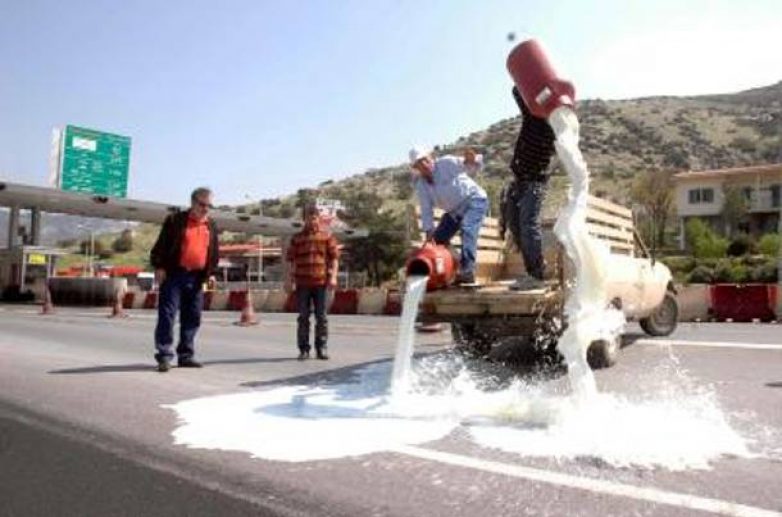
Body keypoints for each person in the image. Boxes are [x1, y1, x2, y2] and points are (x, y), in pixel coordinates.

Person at [150, 187, 219, 372]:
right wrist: (159, 266)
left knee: (193, 317)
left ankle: (186, 355)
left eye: (209, 205)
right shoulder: (175, 220)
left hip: (197, 277)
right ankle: (164, 356)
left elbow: (213, 252)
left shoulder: (211, 225)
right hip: (174, 275)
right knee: (167, 315)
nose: (206, 208)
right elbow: (161, 246)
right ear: (193, 202)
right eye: (202, 204)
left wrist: (211, 273)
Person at [504, 86, 557, 291]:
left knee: (528, 226)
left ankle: (536, 273)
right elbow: (518, 93)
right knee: (515, 225)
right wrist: (528, 79)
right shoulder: (532, 116)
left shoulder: (551, 128)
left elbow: (518, 93)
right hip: (518, 182)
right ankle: (532, 269)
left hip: (534, 184)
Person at [410, 146, 487, 285]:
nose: (424, 165)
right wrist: (428, 232)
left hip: (474, 200)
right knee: (437, 240)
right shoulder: (422, 185)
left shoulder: (446, 163)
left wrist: (472, 160)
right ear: (416, 168)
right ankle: (458, 265)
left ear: (430, 157)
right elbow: (426, 209)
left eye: (425, 160)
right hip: (454, 211)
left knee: (467, 228)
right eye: (419, 164)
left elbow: (470, 165)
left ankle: (468, 271)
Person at [285, 205, 340, 360]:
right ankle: (303, 349)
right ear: (304, 219)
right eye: (309, 218)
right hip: (302, 284)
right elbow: (289, 260)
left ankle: (321, 348)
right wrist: (288, 280)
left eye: (314, 217)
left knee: (321, 317)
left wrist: (334, 276)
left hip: (321, 283)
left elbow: (335, 258)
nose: (312, 220)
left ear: (319, 218)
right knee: (303, 317)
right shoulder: (296, 238)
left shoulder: (327, 236)